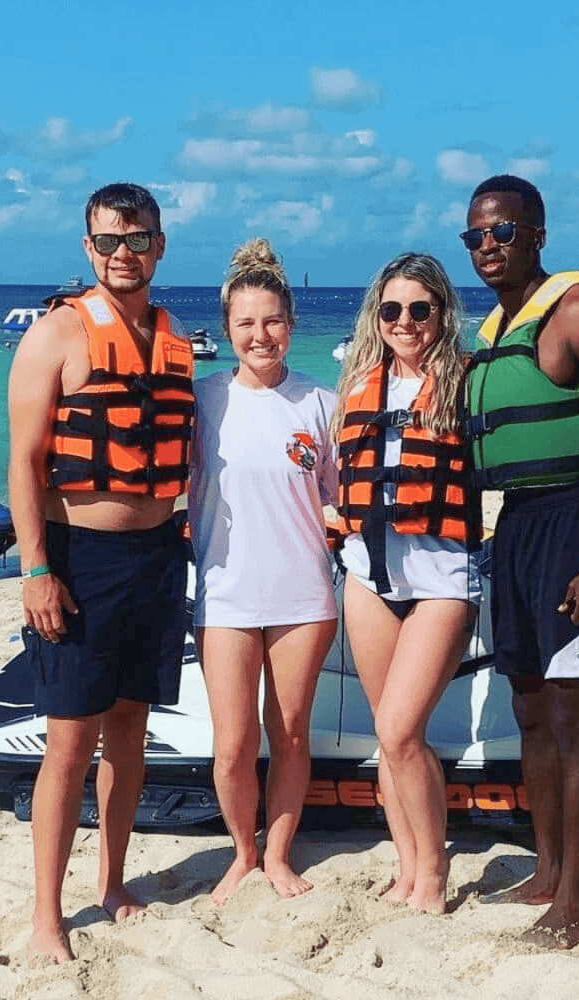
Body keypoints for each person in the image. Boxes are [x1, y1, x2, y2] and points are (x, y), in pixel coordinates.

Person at [7, 183, 194, 962]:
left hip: (156, 559)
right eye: (111, 240)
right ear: (90, 248)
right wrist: (37, 568)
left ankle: (112, 884)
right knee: (68, 739)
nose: (125, 252)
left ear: (159, 244)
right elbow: (22, 461)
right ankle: (47, 917)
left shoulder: (175, 335)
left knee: (129, 734)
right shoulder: (57, 333)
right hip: (79, 557)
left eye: (139, 238)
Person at [462, 175, 579, 948]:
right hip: (519, 530)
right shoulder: (494, 329)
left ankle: (577, 903)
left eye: (502, 231)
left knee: (575, 718)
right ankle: (544, 871)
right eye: (474, 236)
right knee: (530, 710)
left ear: (538, 232)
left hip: (578, 523)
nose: (488, 247)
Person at [188, 239, 338, 905]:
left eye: (272, 320)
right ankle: (242, 853)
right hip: (223, 592)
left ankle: (278, 854)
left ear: (291, 324)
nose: (260, 335)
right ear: (226, 330)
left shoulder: (321, 404)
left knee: (290, 733)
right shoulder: (200, 402)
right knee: (232, 743)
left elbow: (340, 500)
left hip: (304, 592)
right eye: (246, 323)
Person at [332, 253, 481, 914]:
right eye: (392, 309)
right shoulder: (356, 384)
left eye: (420, 309)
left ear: (441, 313)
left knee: (399, 732)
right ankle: (408, 867)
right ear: (377, 316)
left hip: (441, 581)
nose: (405, 322)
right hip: (368, 578)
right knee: (386, 739)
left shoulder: (465, 383)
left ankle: (436, 869)